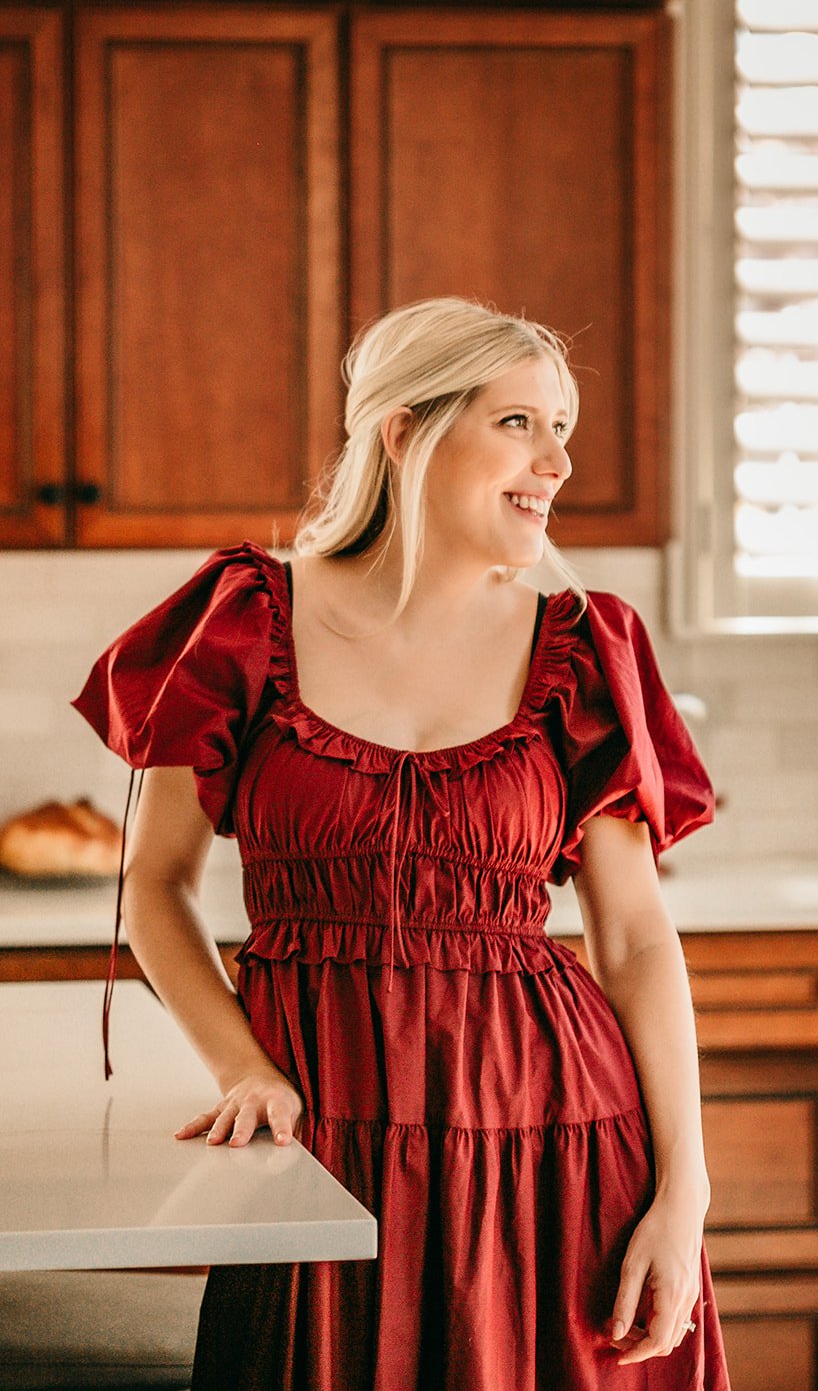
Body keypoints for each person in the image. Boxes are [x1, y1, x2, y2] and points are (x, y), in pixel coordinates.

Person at [71, 296, 732, 1391]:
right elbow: (155, 888)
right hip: (320, 1142)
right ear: (404, 430)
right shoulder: (242, 619)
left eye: (562, 426)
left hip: (553, 1145)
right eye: (519, 421)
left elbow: (633, 941)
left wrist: (683, 1192)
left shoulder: (585, 649)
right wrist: (245, 1068)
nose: (558, 461)